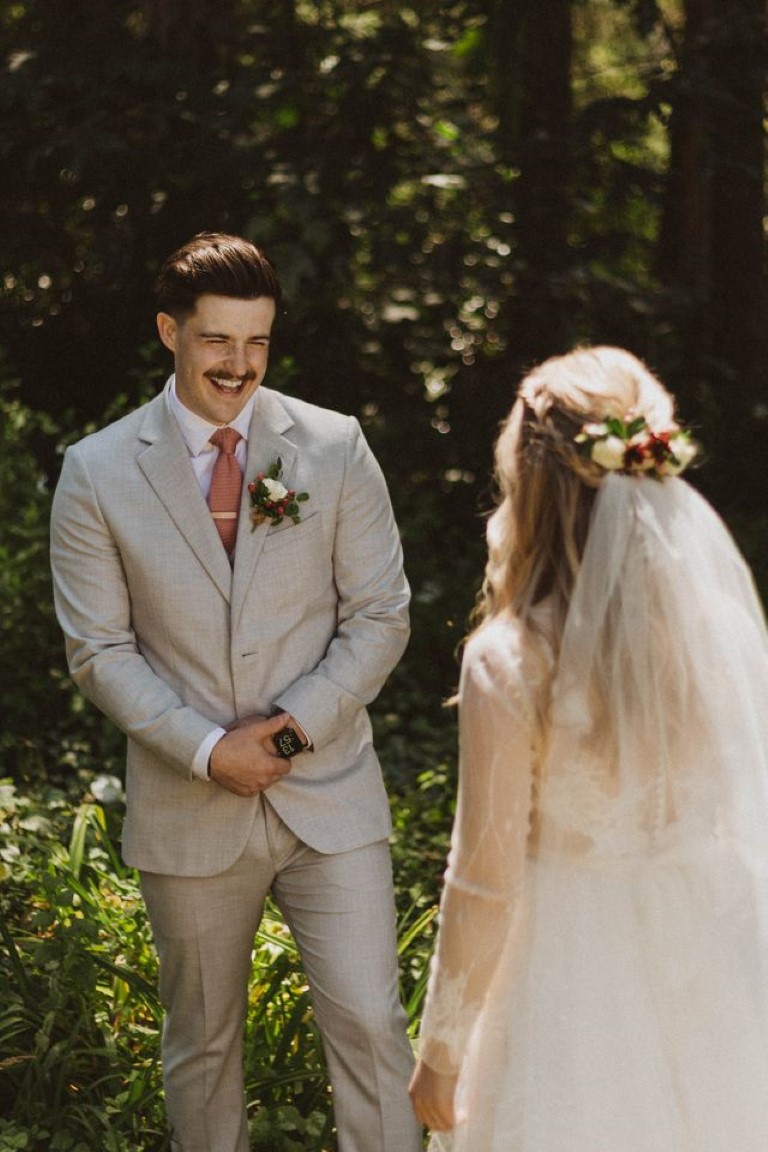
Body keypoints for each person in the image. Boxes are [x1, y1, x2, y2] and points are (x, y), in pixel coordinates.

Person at [50, 232, 423, 1152]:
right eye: (219, 341)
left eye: (257, 343)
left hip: (329, 798)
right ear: (170, 331)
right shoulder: (97, 471)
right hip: (188, 804)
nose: (240, 365)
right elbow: (98, 649)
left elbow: (383, 614)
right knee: (202, 1048)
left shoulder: (333, 447)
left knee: (375, 1032)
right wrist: (212, 751)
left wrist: (289, 736)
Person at [409, 346, 768, 1151]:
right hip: (707, 967)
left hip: (568, 985)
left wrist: (441, 1050)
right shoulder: (715, 631)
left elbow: (484, 881)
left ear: (532, 480)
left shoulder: (510, 659)